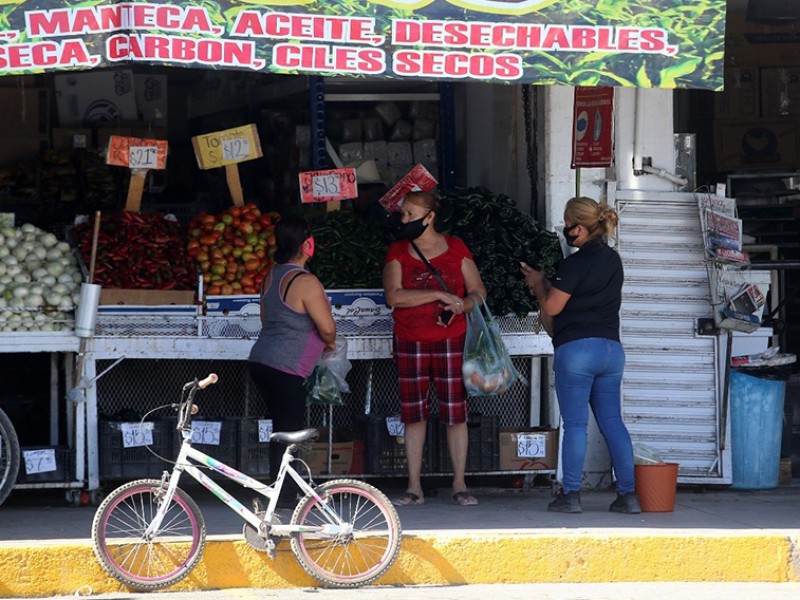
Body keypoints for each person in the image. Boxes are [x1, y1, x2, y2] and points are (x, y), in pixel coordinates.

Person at [520, 196, 640, 515]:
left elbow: (552, 307)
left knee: (575, 425)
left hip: (577, 350)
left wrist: (537, 282)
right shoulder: (614, 259)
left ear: (581, 227)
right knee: (613, 422)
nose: (566, 230)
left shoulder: (574, 263)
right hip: (611, 351)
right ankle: (629, 496)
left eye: (568, 224)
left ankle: (570, 495)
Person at [383, 190, 487, 507]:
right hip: (410, 341)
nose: (405, 219)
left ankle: (460, 483)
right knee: (414, 416)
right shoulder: (397, 252)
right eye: (403, 214)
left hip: (451, 341)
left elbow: (479, 291)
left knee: (456, 414)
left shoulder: (456, 249)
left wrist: (465, 305)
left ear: (430, 216)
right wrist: (438, 296)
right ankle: (414, 486)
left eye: (411, 214)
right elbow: (394, 297)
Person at [248, 214, 336, 507]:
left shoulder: (271, 275)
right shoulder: (306, 282)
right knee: (290, 430)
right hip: (286, 367)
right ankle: (285, 498)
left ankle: (280, 489)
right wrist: (331, 341)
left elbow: (265, 318)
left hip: (261, 360)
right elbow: (326, 327)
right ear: (307, 245)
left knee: (281, 429)